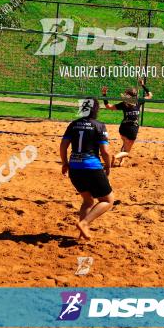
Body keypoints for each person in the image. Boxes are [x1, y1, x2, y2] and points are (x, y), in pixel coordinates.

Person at [60, 97, 114, 240]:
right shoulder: (99, 125)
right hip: (92, 167)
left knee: (88, 201)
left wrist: (65, 163)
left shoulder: (73, 124)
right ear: (96, 109)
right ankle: (84, 223)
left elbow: (63, 146)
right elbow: (105, 152)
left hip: (75, 168)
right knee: (108, 200)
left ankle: (81, 235)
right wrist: (108, 166)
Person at [101, 78, 152, 166]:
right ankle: (116, 157)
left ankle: (121, 162)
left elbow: (108, 106)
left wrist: (104, 94)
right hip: (132, 129)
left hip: (123, 128)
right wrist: (142, 85)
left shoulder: (124, 104)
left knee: (125, 144)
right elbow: (150, 95)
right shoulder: (138, 102)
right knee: (127, 151)